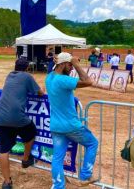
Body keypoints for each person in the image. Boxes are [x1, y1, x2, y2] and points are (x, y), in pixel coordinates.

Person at [45, 52, 99, 188]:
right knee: (92, 143)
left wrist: (68, 61)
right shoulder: (63, 80)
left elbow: (57, 68)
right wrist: (76, 64)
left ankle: (58, 186)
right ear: (62, 64)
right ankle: (85, 176)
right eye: (69, 65)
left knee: (57, 158)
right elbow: (88, 81)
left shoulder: (49, 77)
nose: (72, 68)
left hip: (56, 126)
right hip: (70, 125)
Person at [0, 57, 44, 189]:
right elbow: (40, 93)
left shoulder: (9, 75)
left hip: (0, 116)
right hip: (17, 116)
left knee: (4, 150)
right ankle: (26, 159)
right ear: (27, 68)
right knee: (31, 133)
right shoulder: (27, 77)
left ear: (15, 66)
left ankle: (7, 182)